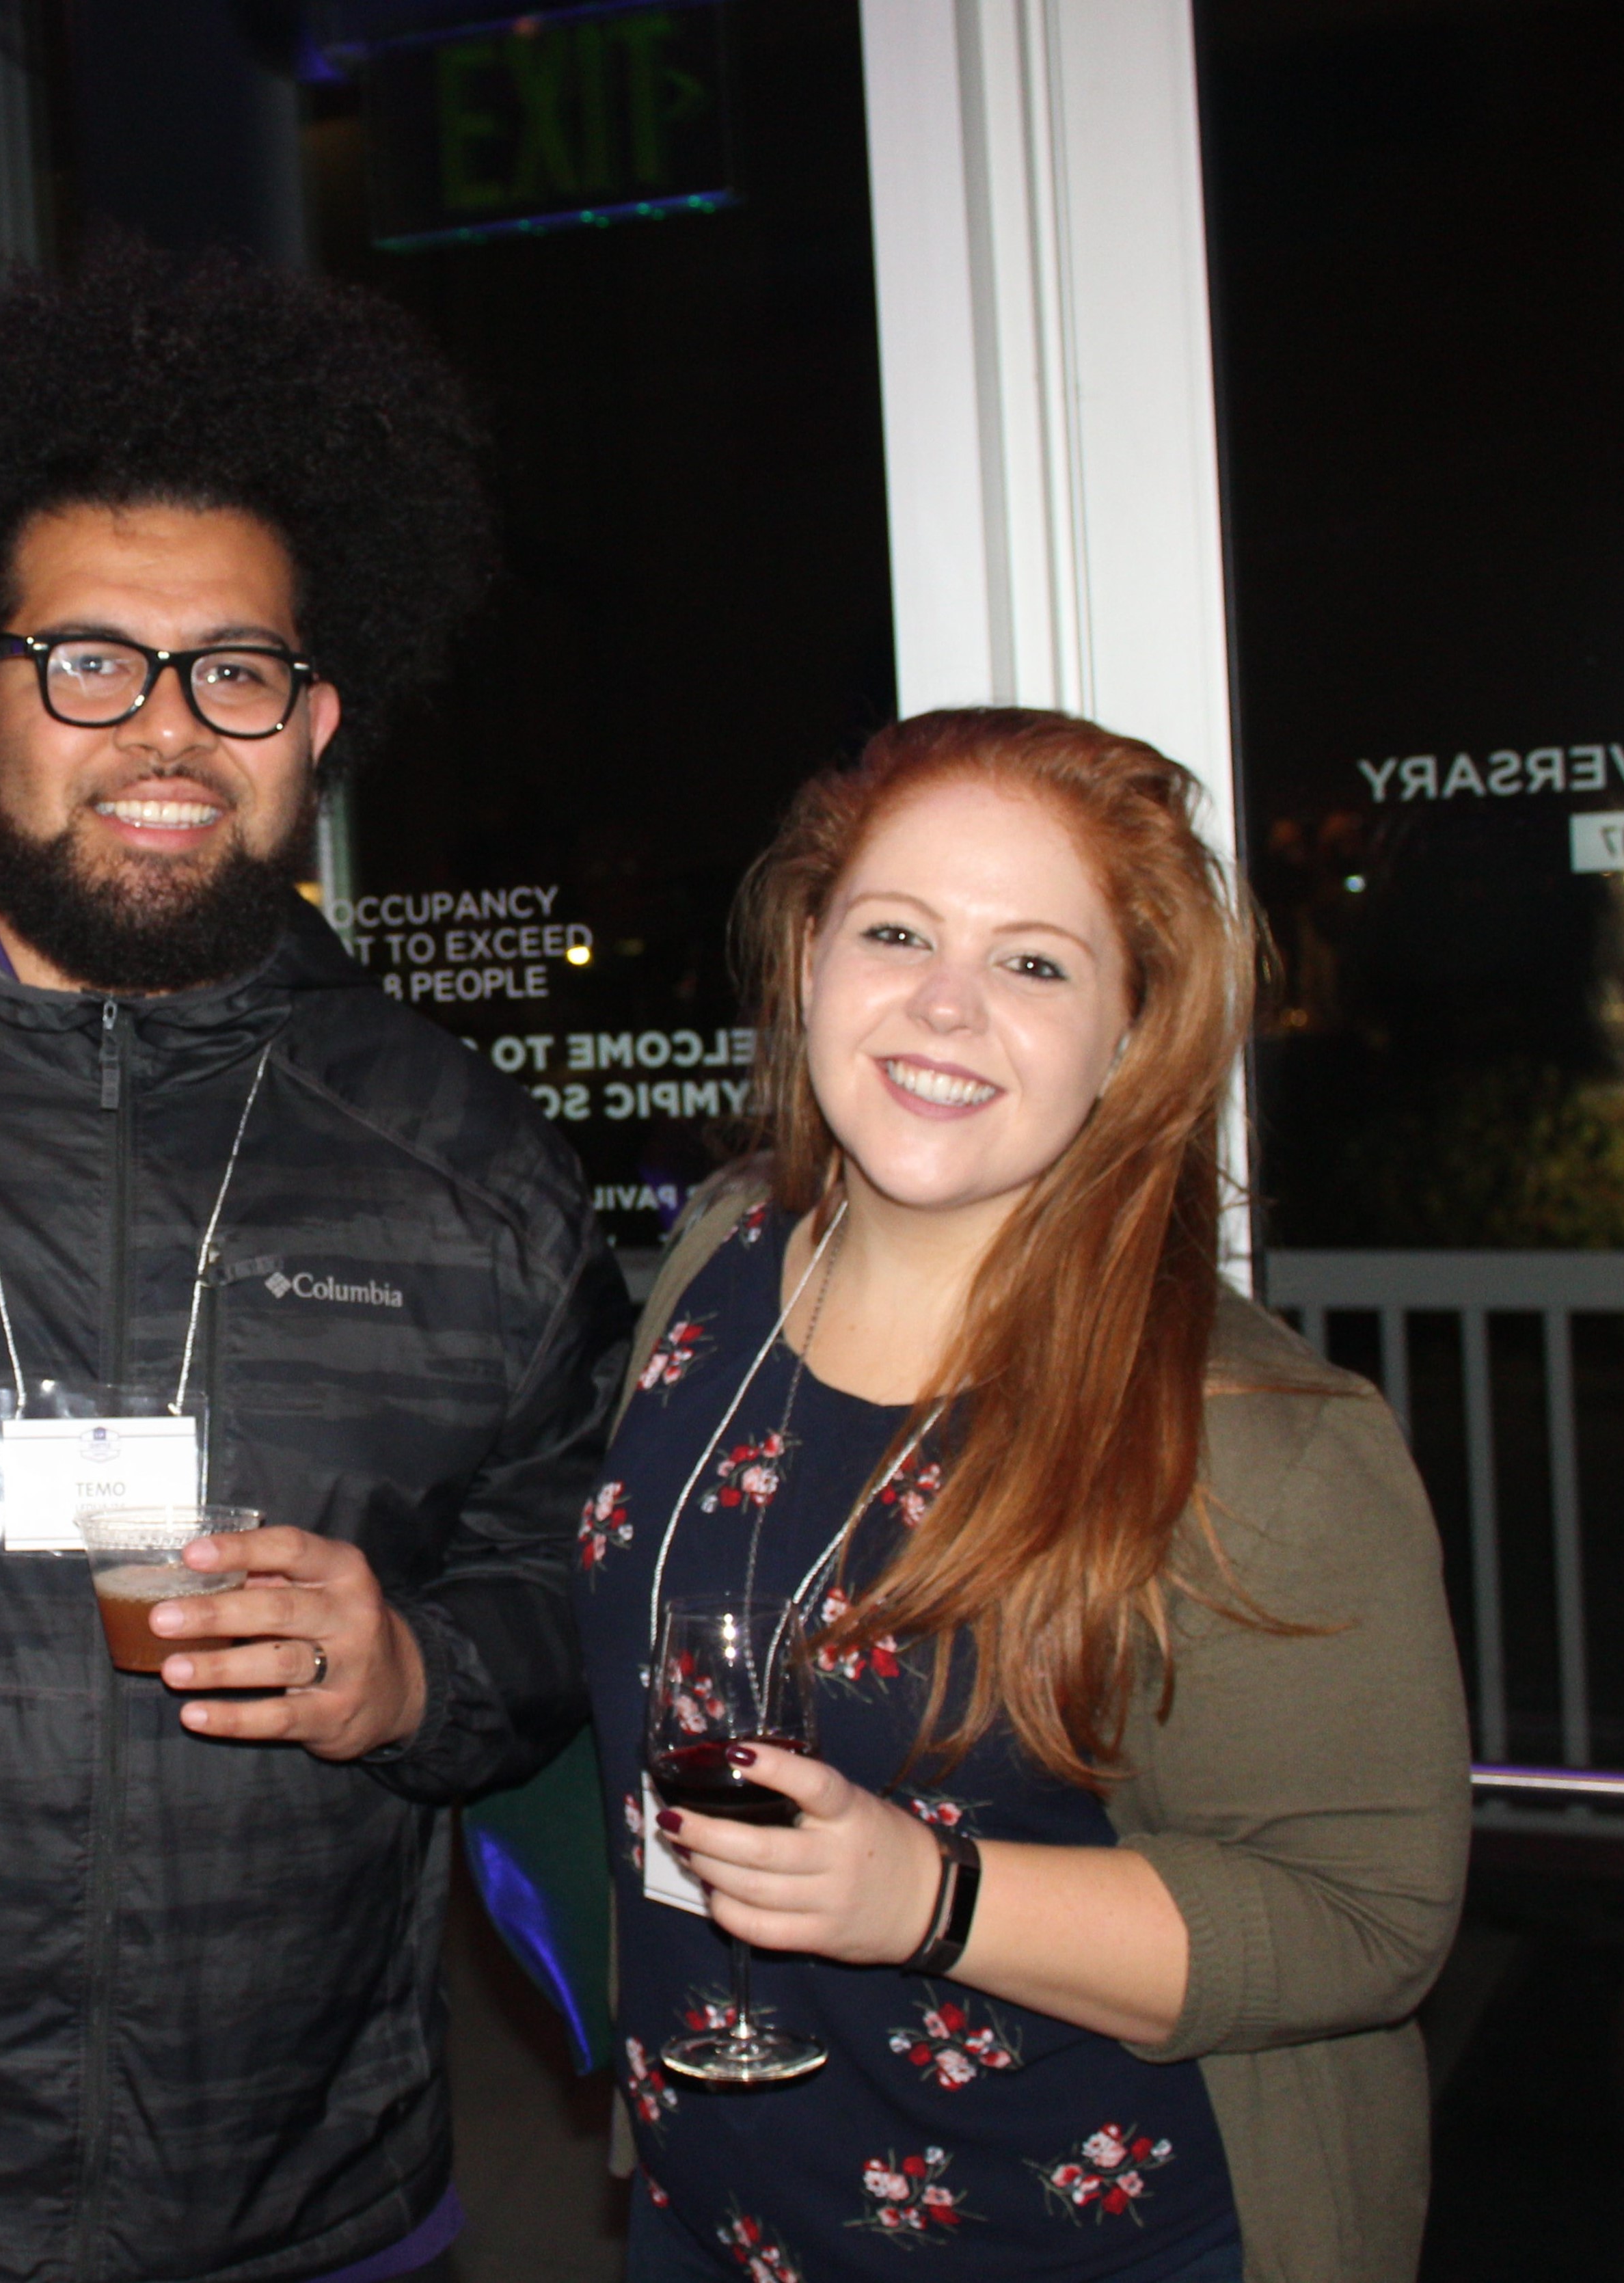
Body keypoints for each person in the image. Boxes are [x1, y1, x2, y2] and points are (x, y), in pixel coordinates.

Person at [0, 247, 636, 2283]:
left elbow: (582, 1565)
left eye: (232, 670)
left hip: (318, 2212)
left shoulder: (459, 1159)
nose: (165, 729)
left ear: (311, 720)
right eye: (90, 662)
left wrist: (422, 1666)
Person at [579, 709, 1470, 2283]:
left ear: (1131, 1033)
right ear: (806, 957)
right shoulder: (716, 1271)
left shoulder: (1254, 1436)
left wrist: (929, 1894)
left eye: (1035, 963)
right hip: (713, 2218)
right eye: (897, 930)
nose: (943, 1003)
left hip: (1076, 2245)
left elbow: (1367, 1916)